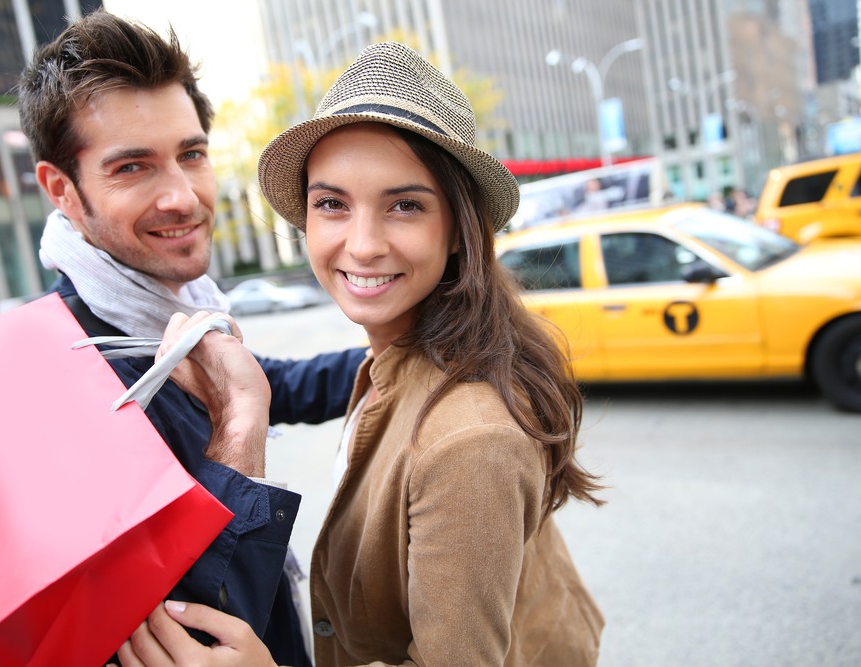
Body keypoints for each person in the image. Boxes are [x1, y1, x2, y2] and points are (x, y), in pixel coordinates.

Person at [114, 41, 604, 667]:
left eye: (405, 205)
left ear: (459, 229)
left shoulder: (469, 438)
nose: (363, 244)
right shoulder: (404, 357)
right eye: (332, 204)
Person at [16, 10, 365, 666]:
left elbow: (274, 380)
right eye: (132, 167)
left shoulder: (172, 315)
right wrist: (238, 427)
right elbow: (189, 634)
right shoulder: (59, 384)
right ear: (63, 189)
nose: (182, 196)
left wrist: (410, 349)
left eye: (191, 154)